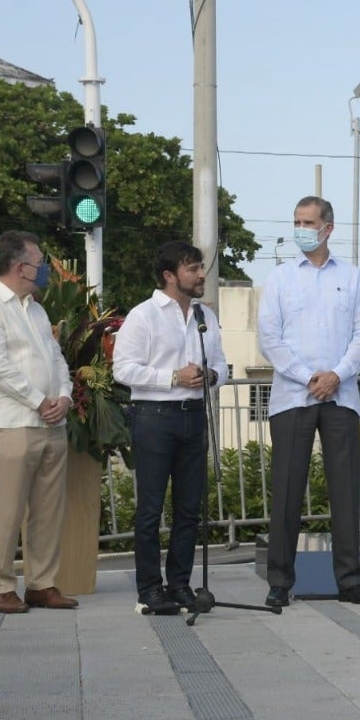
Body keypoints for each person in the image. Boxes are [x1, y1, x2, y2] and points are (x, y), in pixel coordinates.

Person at [258, 196, 360, 606]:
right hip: (293, 396)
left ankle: (350, 580)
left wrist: (336, 375)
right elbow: (269, 338)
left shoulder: (354, 276)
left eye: (308, 222)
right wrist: (309, 377)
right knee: (287, 490)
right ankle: (279, 583)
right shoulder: (280, 279)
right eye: (296, 221)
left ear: (328, 228)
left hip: (341, 396)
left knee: (345, 492)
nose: (300, 229)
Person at [0, 231, 76, 613]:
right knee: (8, 510)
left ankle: (42, 584)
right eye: (40, 262)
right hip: (14, 423)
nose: (45, 269)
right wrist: (38, 400)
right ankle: (1, 588)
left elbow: (57, 359)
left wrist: (64, 397)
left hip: (52, 424)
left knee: (48, 509)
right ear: (20, 266)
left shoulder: (37, 309)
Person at [114, 242, 228, 615]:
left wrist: (209, 375)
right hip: (153, 417)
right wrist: (173, 377)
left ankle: (179, 583)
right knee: (150, 507)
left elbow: (223, 366)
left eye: (200, 268)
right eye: (193, 268)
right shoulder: (143, 315)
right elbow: (124, 369)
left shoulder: (204, 316)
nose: (201, 275)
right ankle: (149, 588)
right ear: (169, 275)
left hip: (194, 416)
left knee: (189, 508)